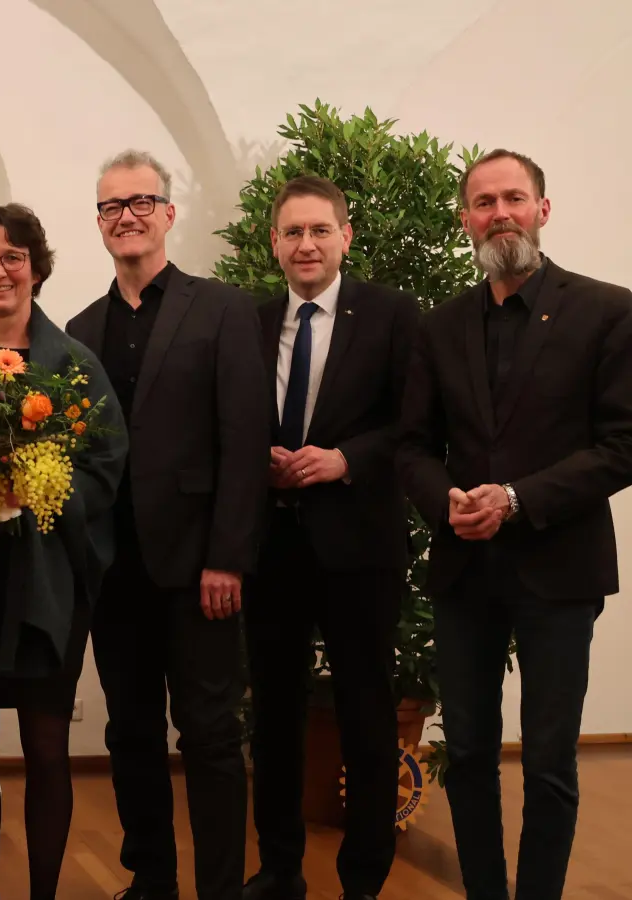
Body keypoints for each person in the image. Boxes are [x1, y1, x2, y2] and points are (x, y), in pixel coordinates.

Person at [397, 149, 632, 900]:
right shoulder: (441, 327)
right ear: (466, 220)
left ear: (543, 209)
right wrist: (449, 501)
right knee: (464, 751)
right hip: (466, 571)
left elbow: (623, 445)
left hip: (559, 570)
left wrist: (516, 498)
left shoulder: (608, 310)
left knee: (550, 761)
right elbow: (410, 445)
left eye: (514, 198)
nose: (500, 212)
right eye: (483, 201)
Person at [65, 150, 267, 900]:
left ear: (169, 213)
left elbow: (245, 441)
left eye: (141, 202)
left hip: (198, 570)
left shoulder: (222, 308)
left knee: (212, 737)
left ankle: (218, 889)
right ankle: (151, 880)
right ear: (99, 223)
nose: (128, 216)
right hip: (113, 571)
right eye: (112, 206)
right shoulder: (80, 330)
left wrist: (229, 558)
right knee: (132, 735)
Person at [0, 203, 127, 900]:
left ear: (37, 268)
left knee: (45, 753)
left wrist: (38, 490)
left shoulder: (74, 366)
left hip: (46, 590)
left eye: (13, 257)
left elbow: (106, 471)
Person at [243, 175, 420, 900]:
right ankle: (281, 869)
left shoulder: (393, 315)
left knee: (367, 714)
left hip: (360, 549)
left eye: (320, 230)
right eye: (292, 232)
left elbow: (414, 423)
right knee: (275, 716)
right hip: (271, 548)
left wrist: (347, 459)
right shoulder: (248, 323)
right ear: (274, 243)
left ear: (346, 237)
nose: (306, 244)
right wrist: (257, 455)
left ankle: (364, 880)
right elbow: (227, 418)